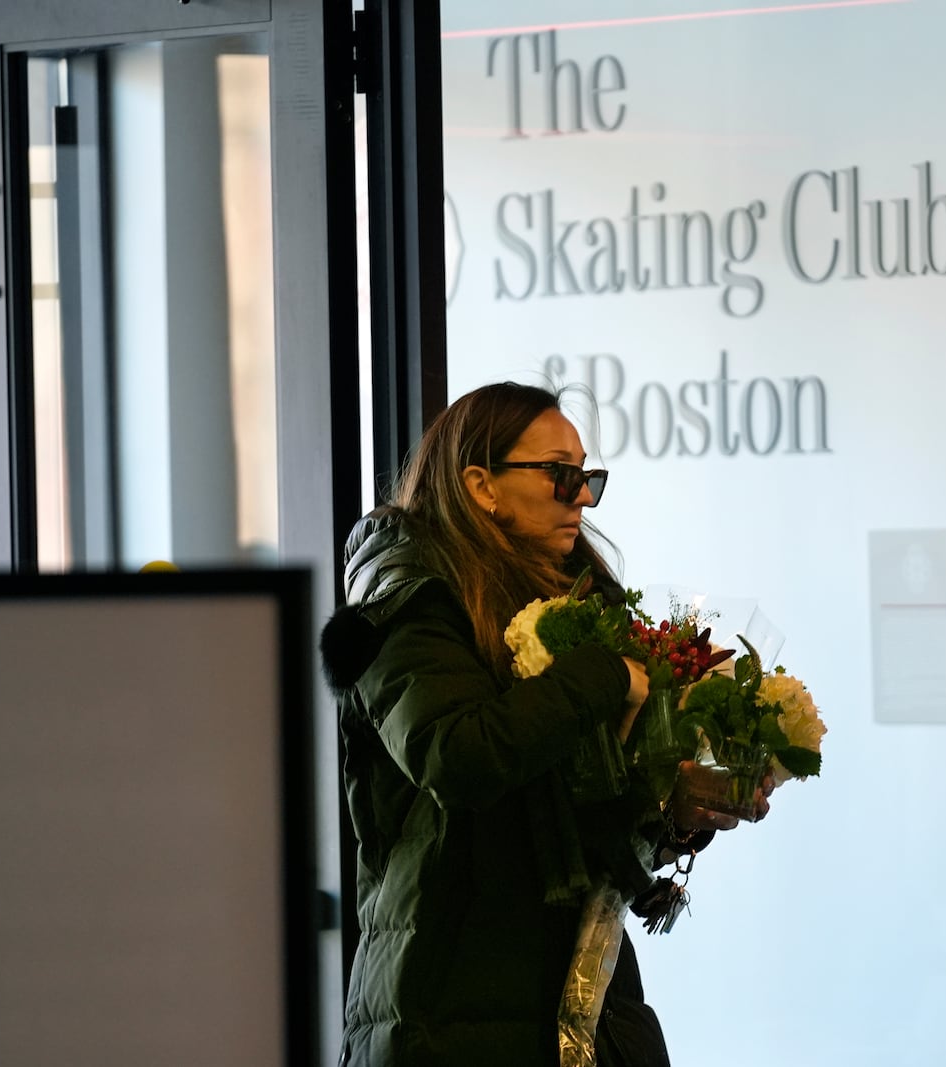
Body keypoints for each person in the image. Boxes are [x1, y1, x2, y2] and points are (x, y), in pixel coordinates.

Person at [319, 382, 758, 1067]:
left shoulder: (577, 600)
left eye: (587, 477)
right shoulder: (407, 596)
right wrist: (604, 674)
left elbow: (577, 816)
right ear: (480, 484)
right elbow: (458, 757)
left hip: (580, 1007)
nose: (581, 496)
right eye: (560, 475)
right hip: (449, 1007)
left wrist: (676, 808)